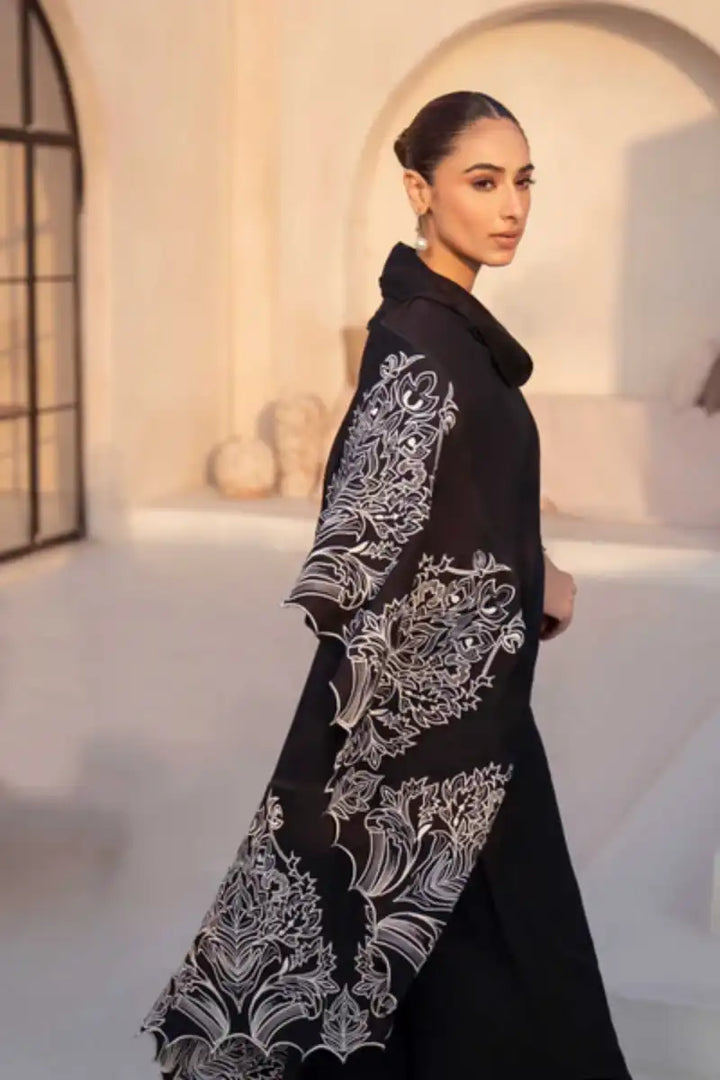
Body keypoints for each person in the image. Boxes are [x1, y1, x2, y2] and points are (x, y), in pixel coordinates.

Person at [140, 91, 632, 1079]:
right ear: (420, 190)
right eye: (482, 181)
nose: (512, 207)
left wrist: (529, 566)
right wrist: (526, 580)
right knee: (502, 967)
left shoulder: (455, 332)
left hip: (472, 720)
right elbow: (363, 538)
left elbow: (456, 503)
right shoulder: (420, 341)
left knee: (468, 970)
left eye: (523, 181)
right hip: (441, 730)